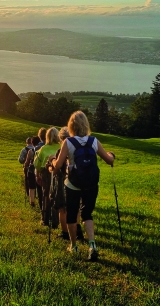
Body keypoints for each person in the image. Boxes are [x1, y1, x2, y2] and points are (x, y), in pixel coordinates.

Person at [50, 111, 115, 262]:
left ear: (71, 126)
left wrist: (52, 160)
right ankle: (92, 245)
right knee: (87, 214)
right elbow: (109, 160)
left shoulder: (68, 142)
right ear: (86, 124)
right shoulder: (93, 141)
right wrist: (112, 155)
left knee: (72, 215)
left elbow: (58, 165)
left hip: (72, 184)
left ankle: (73, 246)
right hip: (91, 184)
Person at [33, 127, 61, 226]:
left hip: (46, 172)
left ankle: (45, 219)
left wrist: (38, 173)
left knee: (46, 195)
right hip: (59, 172)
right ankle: (56, 220)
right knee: (57, 195)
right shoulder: (61, 147)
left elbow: (36, 163)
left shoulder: (43, 148)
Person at [23, 136, 41, 207]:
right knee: (39, 187)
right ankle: (40, 201)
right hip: (38, 171)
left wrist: (25, 166)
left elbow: (27, 162)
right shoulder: (41, 149)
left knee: (31, 187)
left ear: (32, 143)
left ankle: (32, 201)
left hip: (31, 170)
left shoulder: (31, 151)